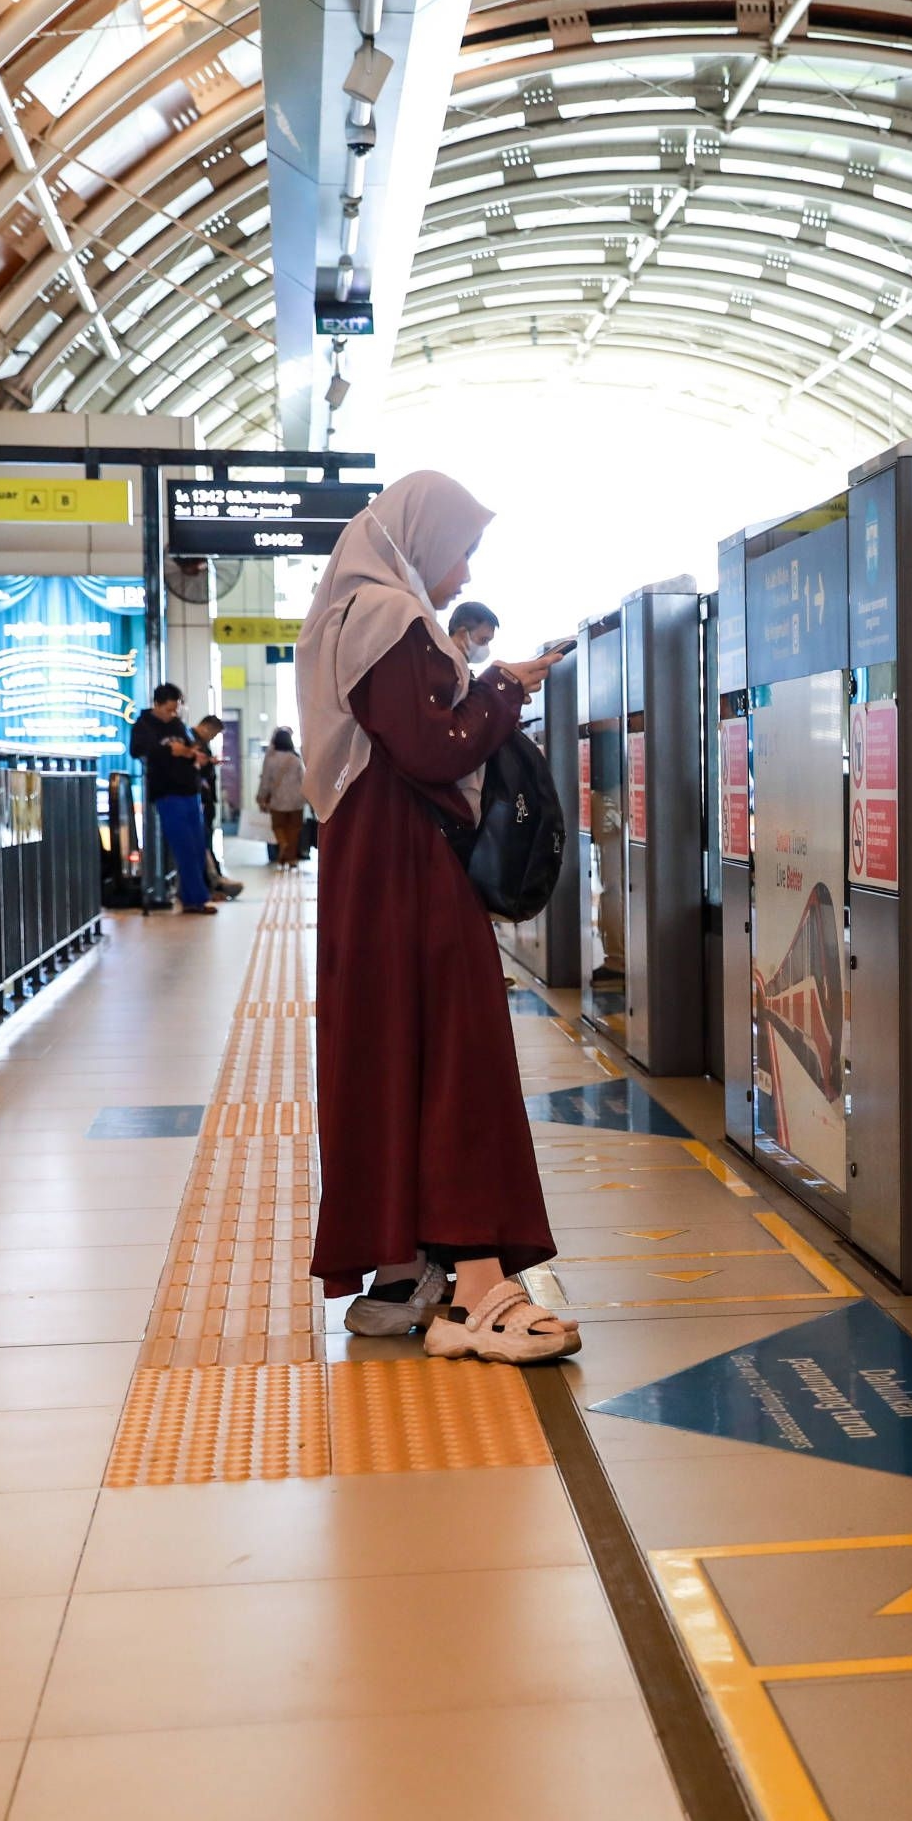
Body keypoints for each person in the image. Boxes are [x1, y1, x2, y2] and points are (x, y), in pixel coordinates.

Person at [297, 472, 579, 1363]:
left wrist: (491, 690)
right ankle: (478, 1285)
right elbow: (428, 747)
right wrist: (500, 690)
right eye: (460, 552)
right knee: (459, 1049)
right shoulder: (388, 615)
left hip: (372, 860)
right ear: (420, 539)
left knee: (394, 1051)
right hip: (406, 864)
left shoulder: (349, 610)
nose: (460, 577)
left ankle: (404, 1268)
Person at [128, 684, 217, 914]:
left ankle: (190, 896)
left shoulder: (179, 725)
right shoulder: (144, 726)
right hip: (167, 793)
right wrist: (170, 751)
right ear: (157, 705)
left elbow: (190, 749)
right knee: (184, 846)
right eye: (168, 709)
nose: (172, 714)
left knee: (198, 846)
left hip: (190, 790)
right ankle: (197, 899)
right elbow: (138, 751)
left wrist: (193, 755)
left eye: (175, 709)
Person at [192, 714, 247, 899]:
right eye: (214, 734)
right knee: (201, 843)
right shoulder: (192, 742)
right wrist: (207, 763)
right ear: (206, 727)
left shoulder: (197, 742)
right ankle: (212, 883)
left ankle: (214, 881)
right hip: (198, 801)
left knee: (205, 842)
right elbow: (196, 768)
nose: (212, 738)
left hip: (204, 801)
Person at [255, 726, 308, 864]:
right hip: (297, 800)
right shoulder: (296, 759)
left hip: (278, 799)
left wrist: (261, 796)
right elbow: (303, 779)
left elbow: (265, 780)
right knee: (294, 829)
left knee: (278, 826)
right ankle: (291, 859)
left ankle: (282, 843)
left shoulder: (270, 759)